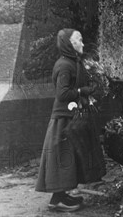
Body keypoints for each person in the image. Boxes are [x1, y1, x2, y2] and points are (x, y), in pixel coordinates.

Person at [36, 28, 105, 212]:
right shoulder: (64, 65)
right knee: (62, 157)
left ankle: (61, 195)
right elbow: (62, 93)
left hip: (69, 116)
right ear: (69, 44)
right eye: (79, 40)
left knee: (69, 157)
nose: (82, 43)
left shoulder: (72, 62)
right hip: (63, 119)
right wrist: (83, 91)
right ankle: (56, 200)